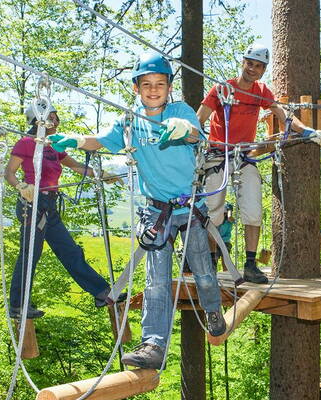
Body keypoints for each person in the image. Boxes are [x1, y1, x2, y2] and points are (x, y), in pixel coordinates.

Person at [47, 52, 226, 370]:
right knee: (156, 280)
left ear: (169, 86)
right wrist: (75, 139)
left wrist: (182, 128)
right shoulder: (130, 121)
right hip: (156, 212)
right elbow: (104, 141)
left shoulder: (179, 110)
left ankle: (212, 310)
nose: (154, 90)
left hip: (190, 208)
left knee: (202, 270)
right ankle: (153, 345)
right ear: (136, 88)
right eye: (147, 84)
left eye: (160, 84)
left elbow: (196, 132)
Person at [196, 44, 318, 284]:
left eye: (259, 66)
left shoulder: (261, 91)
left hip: (243, 157)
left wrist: (307, 132)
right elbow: (199, 118)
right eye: (250, 63)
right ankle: (210, 262)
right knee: (214, 211)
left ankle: (250, 265)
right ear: (243, 62)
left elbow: (283, 116)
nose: (253, 69)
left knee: (253, 210)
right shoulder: (221, 89)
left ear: (263, 70)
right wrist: (193, 138)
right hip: (218, 156)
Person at [4, 101, 124, 319]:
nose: (57, 120)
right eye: (53, 116)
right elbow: (9, 172)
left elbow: (77, 166)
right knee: (30, 254)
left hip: (49, 204)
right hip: (32, 204)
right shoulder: (25, 143)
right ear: (40, 120)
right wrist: (21, 187)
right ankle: (18, 305)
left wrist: (102, 174)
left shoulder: (53, 146)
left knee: (70, 250)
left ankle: (100, 292)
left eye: (56, 116)